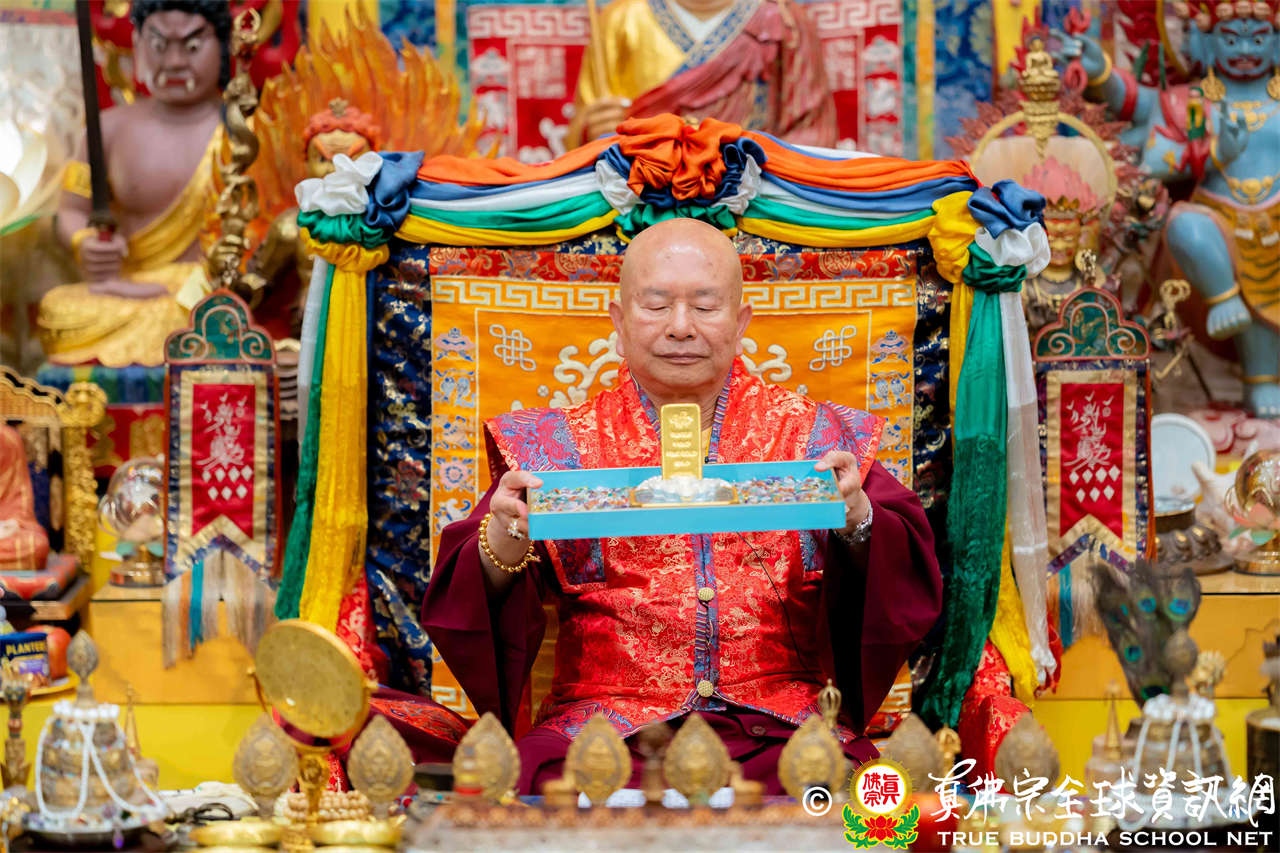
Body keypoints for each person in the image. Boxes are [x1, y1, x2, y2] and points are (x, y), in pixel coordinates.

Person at [423, 218, 942, 794]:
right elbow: (466, 599)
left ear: (740, 322)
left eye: (704, 306)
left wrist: (858, 521)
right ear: (619, 322)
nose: (680, 326)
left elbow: (905, 572)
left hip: (779, 725)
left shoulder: (819, 438)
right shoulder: (550, 446)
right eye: (656, 305)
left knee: (863, 794)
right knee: (518, 787)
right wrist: (504, 540)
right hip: (600, 730)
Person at [36, 0, 229, 367]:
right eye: (158, 45)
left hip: (218, 292)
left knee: (220, 313)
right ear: (137, 45)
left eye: (191, 46)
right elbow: (71, 210)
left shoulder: (247, 131)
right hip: (132, 289)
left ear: (223, 45)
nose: (174, 62)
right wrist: (84, 241)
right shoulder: (108, 129)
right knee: (57, 310)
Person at [564, 0, 837, 148]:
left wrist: (748, 169)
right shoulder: (621, 18)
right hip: (645, 192)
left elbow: (812, 132)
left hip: (753, 196)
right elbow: (581, 135)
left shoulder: (784, 20)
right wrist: (596, 130)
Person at [0, 424, 49, 574]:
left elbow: (19, 499)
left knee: (36, 546)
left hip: (3, 530)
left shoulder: (7, 439)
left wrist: (13, 524)